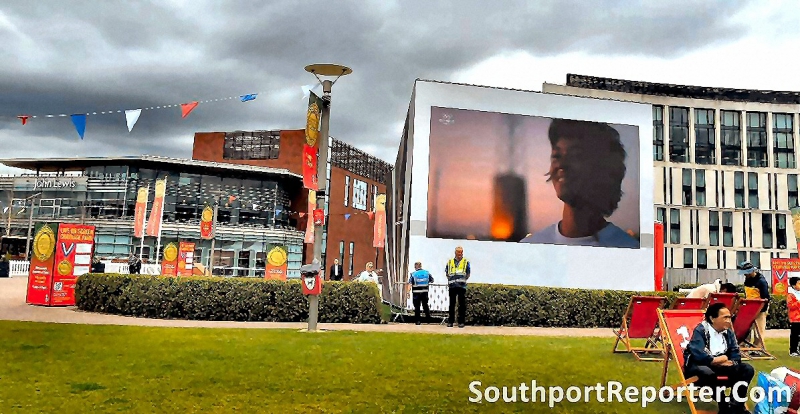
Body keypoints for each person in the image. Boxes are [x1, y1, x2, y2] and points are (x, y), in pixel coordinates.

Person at [519, 119, 638, 248]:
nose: (561, 164)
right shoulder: (529, 247)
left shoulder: (628, 248)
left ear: (602, 169)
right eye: (556, 156)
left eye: (575, 156)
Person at [684, 303, 755, 414]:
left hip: (722, 366)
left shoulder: (728, 332)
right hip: (700, 367)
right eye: (725, 317)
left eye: (729, 317)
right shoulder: (701, 330)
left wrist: (730, 361)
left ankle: (736, 406)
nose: (728, 320)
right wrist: (714, 361)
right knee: (707, 372)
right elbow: (698, 353)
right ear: (712, 318)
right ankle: (724, 406)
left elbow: (735, 353)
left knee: (747, 369)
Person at [740, 261, 770, 351]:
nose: (745, 275)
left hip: (760, 308)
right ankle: (744, 346)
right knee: (746, 328)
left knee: (759, 331)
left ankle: (758, 348)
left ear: (751, 271)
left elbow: (766, 298)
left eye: (746, 273)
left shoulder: (761, 281)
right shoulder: (747, 280)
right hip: (749, 307)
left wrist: (762, 310)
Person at [445, 246, 470, 328]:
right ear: (455, 253)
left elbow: (468, 273)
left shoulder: (466, 262)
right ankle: (450, 322)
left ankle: (461, 322)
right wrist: (450, 280)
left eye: (461, 252)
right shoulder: (450, 262)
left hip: (461, 286)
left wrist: (463, 280)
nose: (460, 254)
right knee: (451, 304)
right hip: (452, 286)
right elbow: (447, 272)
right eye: (458, 252)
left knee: (461, 305)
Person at [788, 277, 800, 357]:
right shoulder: (791, 295)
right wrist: (798, 303)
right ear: (793, 285)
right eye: (799, 283)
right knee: (795, 335)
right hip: (795, 319)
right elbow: (790, 306)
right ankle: (793, 350)